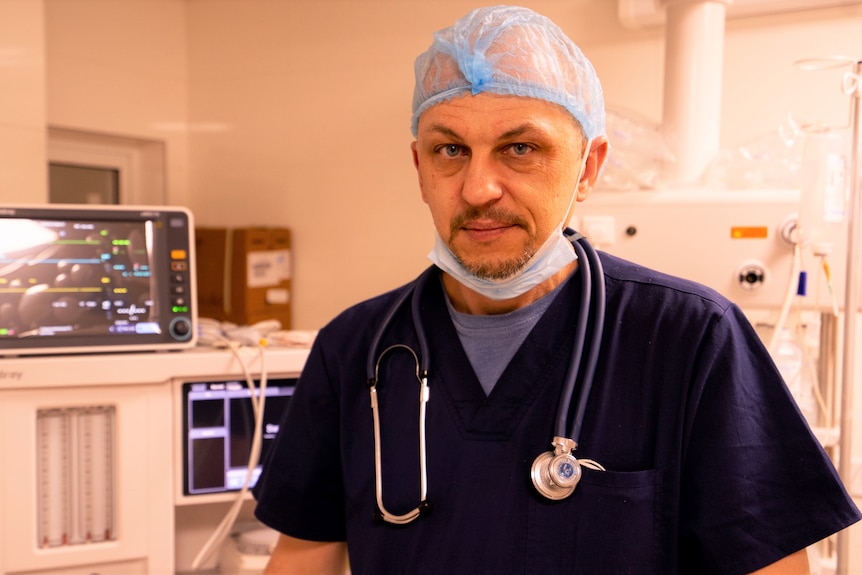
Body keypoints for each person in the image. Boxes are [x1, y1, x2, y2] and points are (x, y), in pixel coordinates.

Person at [253, 6, 860, 574]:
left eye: (521, 149)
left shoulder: (690, 338)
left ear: (588, 168)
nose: (477, 187)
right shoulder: (354, 348)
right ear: (420, 168)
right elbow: (302, 556)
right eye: (450, 150)